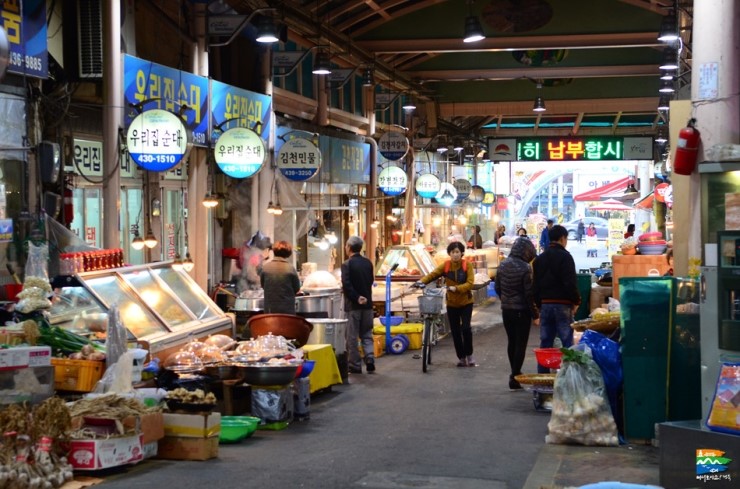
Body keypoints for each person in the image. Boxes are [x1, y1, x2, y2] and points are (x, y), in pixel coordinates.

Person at [415, 241, 476, 367]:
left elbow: (470, 283)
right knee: (455, 331)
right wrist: (421, 281)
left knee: (466, 328)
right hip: (452, 304)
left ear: (462, 253)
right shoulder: (446, 266)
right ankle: (461, 357)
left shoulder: (467, 265)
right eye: (453, 252)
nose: (455, 255)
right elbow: (433, 274)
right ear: (449, 253)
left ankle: (469, 354)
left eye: (457, 252)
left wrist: (456, 288)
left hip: (466, 303)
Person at [532, 224, 581, 374]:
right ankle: (569, 378)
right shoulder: (566, 257)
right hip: (563, 306)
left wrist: (538, 306)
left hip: (546, 305)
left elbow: (536, 285)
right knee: (567, 343)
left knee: (545, 343)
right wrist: (576, 301)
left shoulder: (539, 259)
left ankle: (542, 381)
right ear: (562, 239)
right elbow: (570, 283)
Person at [495, 237, 539, 390]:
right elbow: (529, 294)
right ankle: (514, 376)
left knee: (511, 341)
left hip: (506, 310)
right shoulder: (526, 267)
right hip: (522, 311)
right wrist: (535, 315)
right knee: (520, 343)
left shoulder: (502, 265)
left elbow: (497, 288)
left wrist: (505, 300)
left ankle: (515, 373)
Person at [341, 236, 376, 374]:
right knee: (367, 333)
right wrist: (364, 297)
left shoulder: (346, 264)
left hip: (353, 306)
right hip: (367, 305)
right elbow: (370, 281)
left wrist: (356, 297)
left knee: (352, 336)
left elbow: (347, 285)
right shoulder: (368, 263)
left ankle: (355, 365)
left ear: (349, 247)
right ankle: (370, 358)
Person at [260, 241, 301, 315]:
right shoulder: (290, 268)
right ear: (288, 253)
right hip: (287, 312)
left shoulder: (265, 267)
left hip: (269, 311)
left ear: (274, 251)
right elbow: (297, 288)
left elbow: (263, 286)